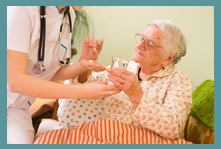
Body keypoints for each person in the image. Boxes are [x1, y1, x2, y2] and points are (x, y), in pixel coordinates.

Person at [7, 6, 120, 144]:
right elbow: (16, 81)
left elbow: (45, 74)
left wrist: (80, 66)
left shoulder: (69, 15)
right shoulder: (21, 8)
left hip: (17, 108)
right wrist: (82, 92)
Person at [71, 19, 192, 140]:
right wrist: (84, 64)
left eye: (149, 44)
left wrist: (137, 96)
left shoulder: (179, 80)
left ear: (168, 58)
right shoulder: (127, 66)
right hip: (105, 138)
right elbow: (83, 85)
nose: (139, 46)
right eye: (141, 38)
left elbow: (174, 128)